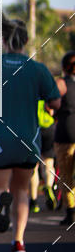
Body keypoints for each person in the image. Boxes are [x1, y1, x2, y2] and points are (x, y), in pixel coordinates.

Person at [0, 17, 60, 252]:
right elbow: (55, 101)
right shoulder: (38, 69)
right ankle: (19, 243)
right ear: (26, 40)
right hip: (29, 140)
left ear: (3, 40)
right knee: (23, 192)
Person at [55, 51, 75, 226]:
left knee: (66, 175)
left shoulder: (61, 84)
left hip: (65, 133)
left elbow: (51, 104)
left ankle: (71, 212)